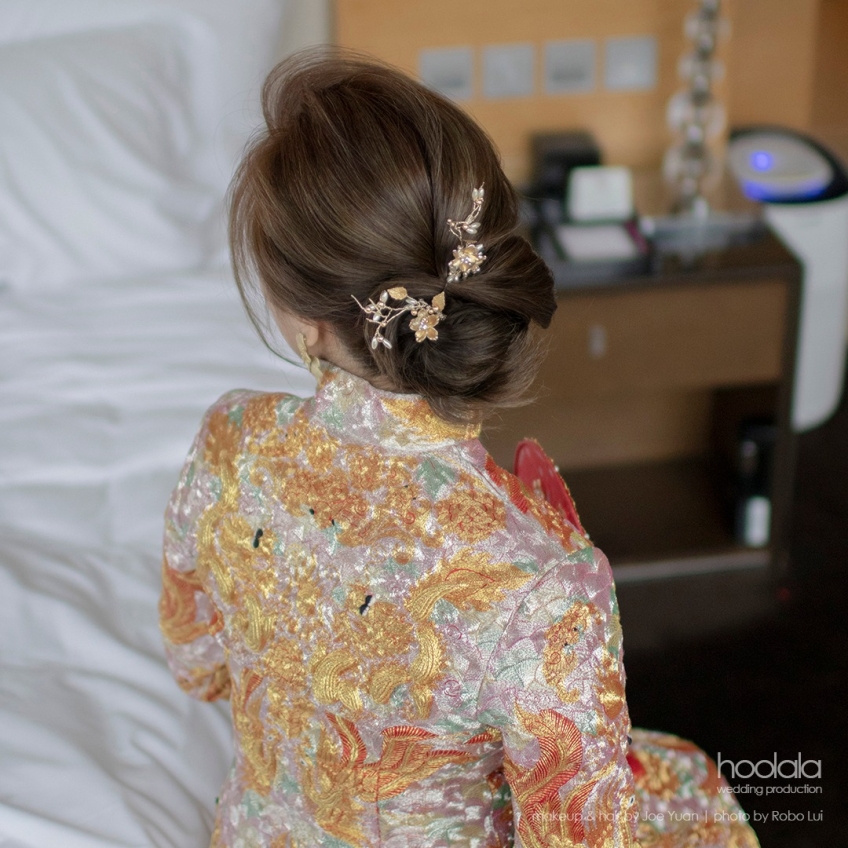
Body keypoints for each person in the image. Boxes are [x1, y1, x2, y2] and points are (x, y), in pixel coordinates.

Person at [159, 50, 759, 847]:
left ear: (306, 320)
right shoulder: (540, 581)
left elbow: (198, 664)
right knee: (693, 788)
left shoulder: (230, 442)